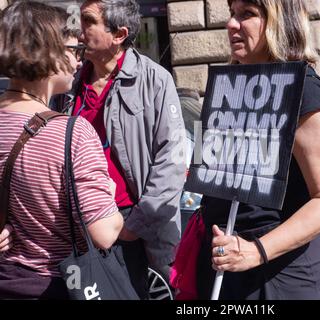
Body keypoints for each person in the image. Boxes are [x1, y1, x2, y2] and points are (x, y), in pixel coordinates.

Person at [196, 0, 320, 300]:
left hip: (281, 277)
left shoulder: (307, 92)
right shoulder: (230, 87)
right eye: (232, 14)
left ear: (280, 23)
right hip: (225, 270)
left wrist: (256, 251)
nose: (231, 25)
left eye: (247, 15)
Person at [54, 0, 186, 299]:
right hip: (78, 224)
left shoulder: (155, 80)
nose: (79, 29)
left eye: (88, 21)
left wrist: (134, 226)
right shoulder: (69, 82)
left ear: (119, 34)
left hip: (129, 223)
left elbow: (173, 159)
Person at [0, 1, 123, 299]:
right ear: (47, 51)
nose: (79, 61)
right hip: (57, 284)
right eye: (74, 49)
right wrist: (107, 192)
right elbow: (105, 233)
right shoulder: (72, 132)